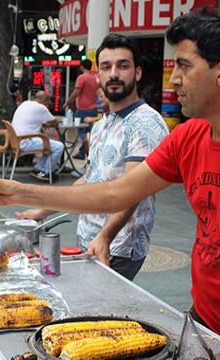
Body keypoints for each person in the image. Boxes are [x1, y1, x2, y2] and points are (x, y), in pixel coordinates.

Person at [0, 9, 220, 360]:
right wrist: (19, 191)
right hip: (205, 329)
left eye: (183, 66)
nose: (174, 80)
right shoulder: (190, 136)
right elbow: (116, 192)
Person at [16, 34, 169, 280]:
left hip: (117, 246)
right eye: (106, 67)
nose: (114, 74)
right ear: (98, 76)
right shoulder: (101, 125)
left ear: (138, 73)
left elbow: (134, 192)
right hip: (88, 239)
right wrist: (44, 210)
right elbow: (89, 178)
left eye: (123, 65)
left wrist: (105, 237)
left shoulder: (146, 123)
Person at [11, 90, 64, 182]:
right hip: (26, 142)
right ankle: (47, 173)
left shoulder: (25, 103)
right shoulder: (41, 108)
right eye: (47, 102)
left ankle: (39, 168)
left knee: (49, 145)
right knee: (59, 146)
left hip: (17, 141)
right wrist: (50, 122)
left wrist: (43, 123)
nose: (47, 105)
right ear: (43, 99)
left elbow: (32, 120)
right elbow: (55, 123)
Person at [63, 58, 99, 160]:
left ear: (82, 67)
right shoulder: (95, 78)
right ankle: (82, 153)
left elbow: (76, 92)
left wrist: (67, 102)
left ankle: (91, 143)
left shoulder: (82, 78)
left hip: (83, 109)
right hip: (94, 108)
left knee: (80, 131)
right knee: (88, 131)